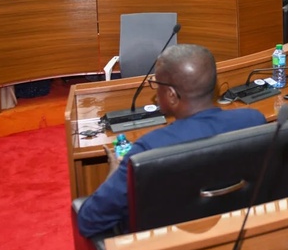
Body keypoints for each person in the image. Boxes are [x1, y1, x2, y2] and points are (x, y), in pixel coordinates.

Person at [76, 44, 266, 237]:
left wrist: (114, 171)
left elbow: (89, 219)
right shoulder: (254, 121)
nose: (155, 92)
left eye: (156, 85)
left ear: (172, 96)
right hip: (238, 235)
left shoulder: (148, 149)